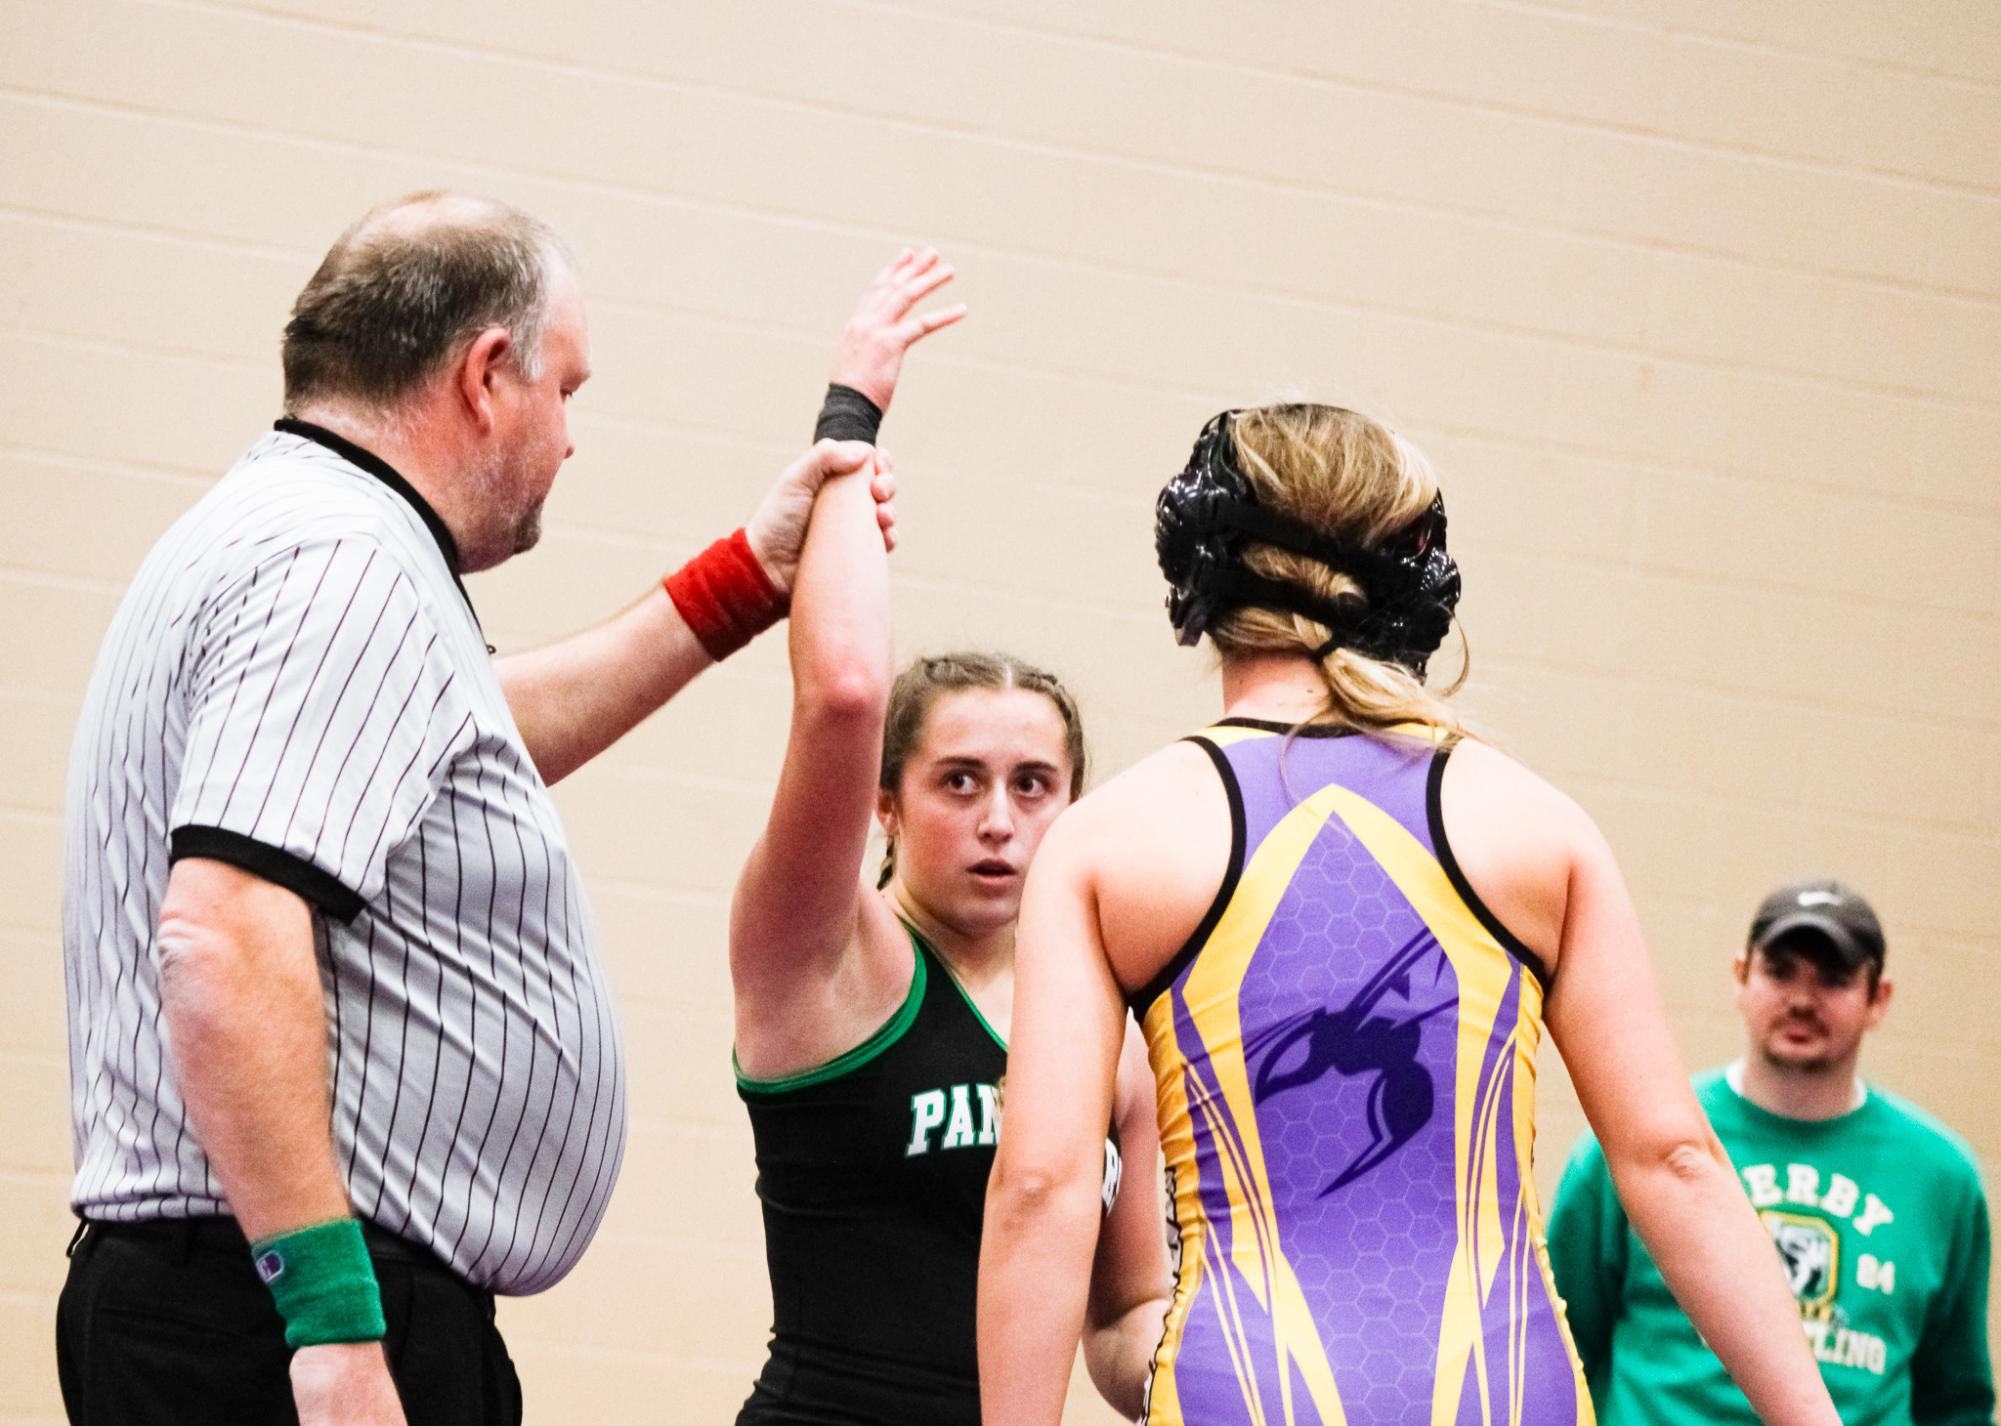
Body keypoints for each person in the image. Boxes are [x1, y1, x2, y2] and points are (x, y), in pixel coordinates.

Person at [56, 190, 894, 1426]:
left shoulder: (294, 531)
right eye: (568, 390)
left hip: (254, 1301)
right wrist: (333, 1326)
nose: (570, 439)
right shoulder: (342, 564)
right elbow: (220, 934)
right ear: (487, 374)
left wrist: (742, 579)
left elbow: (474, 731)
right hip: (284, 1318)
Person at [976, 403, 1845, 1426]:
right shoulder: (1532, 824)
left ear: (1204, 575)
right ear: (1409, 580)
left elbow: (1041, 1187)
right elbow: (1674, 1161)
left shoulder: (1116, 838)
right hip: (1500, 1388)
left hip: (1246, 1391)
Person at [727, 250, 1171, 1426]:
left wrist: (1215, 1361)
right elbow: (841, 694)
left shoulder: (1113, 1033)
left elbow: (1125, 1319)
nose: (997, 818)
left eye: (1034, 786)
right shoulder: (825, 954)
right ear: (883, 802)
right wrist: (849, 417)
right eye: (959, 780)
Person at [1546, 879, 1995, 1426]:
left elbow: (1955, 1401)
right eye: (1780, 972)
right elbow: (1559, 1352)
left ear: (1878, 999)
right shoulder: (1644, 1140)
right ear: (1741, 976)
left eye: (1833, 979)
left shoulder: (1940, 1177)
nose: (1802, 1001)